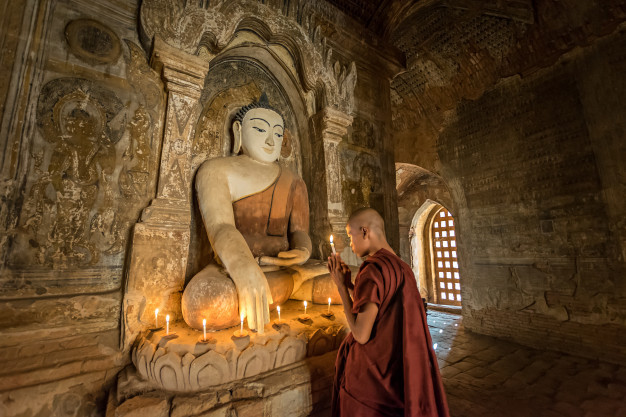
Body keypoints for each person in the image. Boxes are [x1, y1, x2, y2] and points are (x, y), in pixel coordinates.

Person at [327, 207, 450, 416]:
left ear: (365, 232)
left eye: (351, 236)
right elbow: (383, 308)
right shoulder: (402, 267)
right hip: (397, 371)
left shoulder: (373, 269)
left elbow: (361, 334)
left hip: (372, 381)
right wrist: (350, 285)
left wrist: (340, 287)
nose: (350, 243)